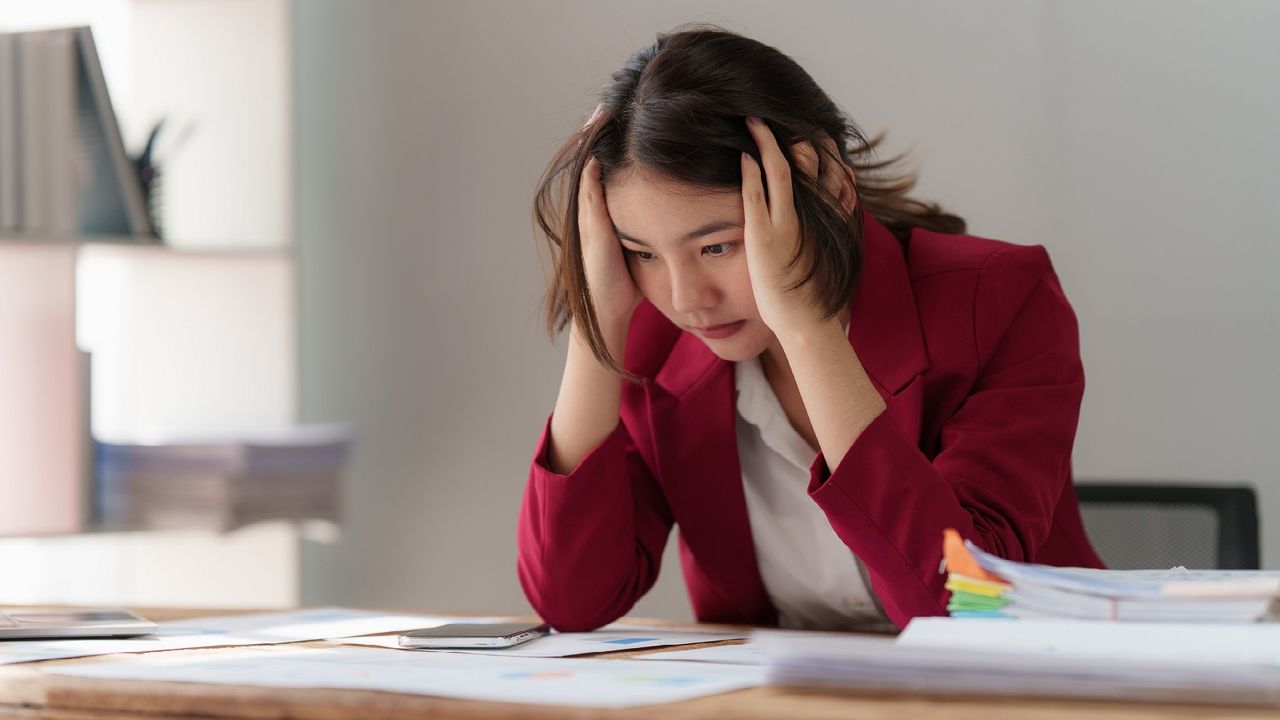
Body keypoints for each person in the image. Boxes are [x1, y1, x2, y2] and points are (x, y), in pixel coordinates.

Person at [517, 25, 1103, 632]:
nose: (687, 299)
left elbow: (961, 609)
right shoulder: (651, 343)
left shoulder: (1000, 298)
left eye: (717, 246)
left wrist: (807, 328)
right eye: (642, 253)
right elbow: (571, 600)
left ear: (828, 187)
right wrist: (596, 326)